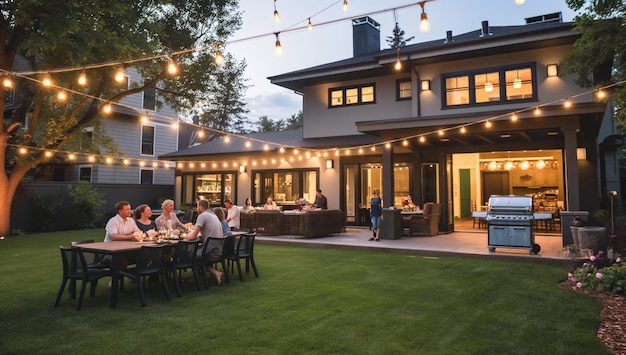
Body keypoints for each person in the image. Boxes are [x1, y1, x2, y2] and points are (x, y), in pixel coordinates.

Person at [184, 199, 225, 285]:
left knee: (190, 255)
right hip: (218, 250)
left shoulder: (202, 216)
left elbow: (193, 236)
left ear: (200, 207)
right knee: (196, 252)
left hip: (210, 252)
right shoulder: (213, 215)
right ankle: (199, 276)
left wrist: (182, 237)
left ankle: (213, 273)